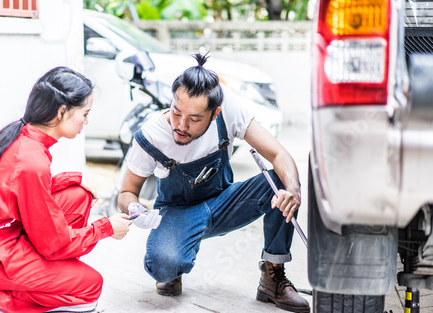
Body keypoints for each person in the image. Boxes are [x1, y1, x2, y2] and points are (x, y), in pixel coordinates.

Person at [118, 53, 310, 313]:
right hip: (179, 212)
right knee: (163, 266)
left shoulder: (228, 109)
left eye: (195, 119)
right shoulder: (151, 135)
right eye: (176, 112)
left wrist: (294, 191)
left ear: (215, 112)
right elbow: (127, 191)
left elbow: (279, 155)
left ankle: (272, 274)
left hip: (225, 204)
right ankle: (173, 266)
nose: (181, 125)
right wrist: (134, 208)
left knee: (282, 183)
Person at [0, 67, 132, 313]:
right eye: (85, 114)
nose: (86, 122)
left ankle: (43, 278)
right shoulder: (31, 158)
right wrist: (106, 228)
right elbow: (53, 244)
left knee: (78, 194)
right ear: (61, 112)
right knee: (89, 287)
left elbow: (19, 192)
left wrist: (72, 179)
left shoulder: (24, 137)